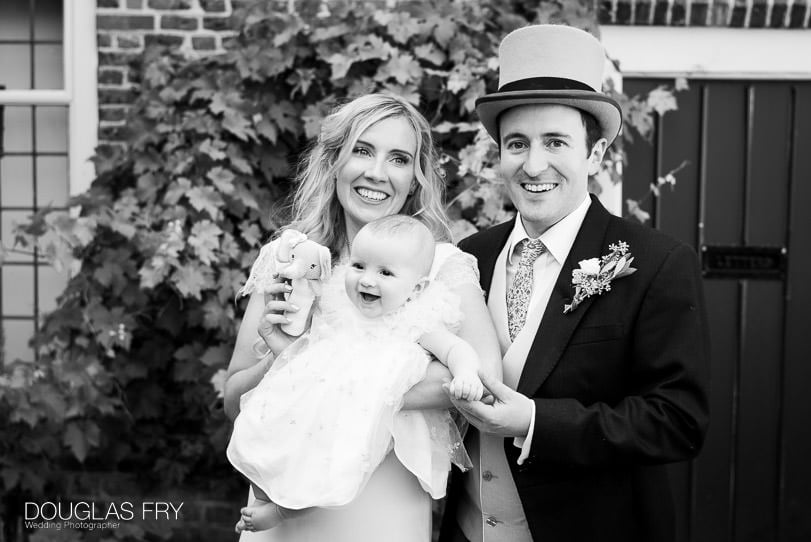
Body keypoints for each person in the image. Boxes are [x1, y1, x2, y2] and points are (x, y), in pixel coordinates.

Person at [439, 25, 710, 542]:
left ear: (595, 153)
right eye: (517, 143)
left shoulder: (656, 263)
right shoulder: (470, 256)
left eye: (555, 142)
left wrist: (536, 422)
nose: (533, 164)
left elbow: (678, 420)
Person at [223, 93, 502, 542]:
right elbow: (233, 398)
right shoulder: (291, 260)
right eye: (362, 150)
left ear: (415, 178)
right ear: (334, 162)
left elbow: (484, 377)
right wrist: (280, 356)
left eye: (398, 158)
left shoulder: (441, 267)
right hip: (281, 512)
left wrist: (325, 378)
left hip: (382, 508)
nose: (377, 172)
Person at [227, 216, 484, 533]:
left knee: (334, 462)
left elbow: (456, 350)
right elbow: (310, 357)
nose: (367, 280)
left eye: (385, 273)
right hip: (317, 411)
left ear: (417, 288)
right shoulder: (339, 309)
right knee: (274, 434)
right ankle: (267, 492)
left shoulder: (416, 321)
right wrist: (287, 351)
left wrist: (466, 372)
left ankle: (282, 510)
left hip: (361, 424)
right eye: (359, 266)